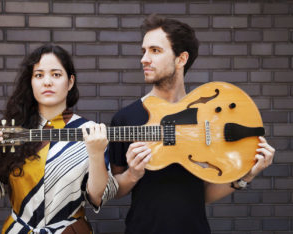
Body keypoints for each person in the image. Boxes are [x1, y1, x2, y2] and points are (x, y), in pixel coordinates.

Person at [109, 14, 275, 234]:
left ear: (181, 59)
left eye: (155, 51)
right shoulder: (125, 119)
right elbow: (116, 190)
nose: (144, 59)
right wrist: (132, 174)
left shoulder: (207, 112)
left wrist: (246, 176)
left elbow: (201, 195)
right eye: (144, 51)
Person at [0, 44, 118, 234]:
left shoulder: (90, 132)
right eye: (39, 75)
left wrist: (97, 154)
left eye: (56, 75)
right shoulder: (11, 131)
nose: (47, 82)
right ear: (31, 82)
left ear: (70, 82)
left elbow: (97, 197)